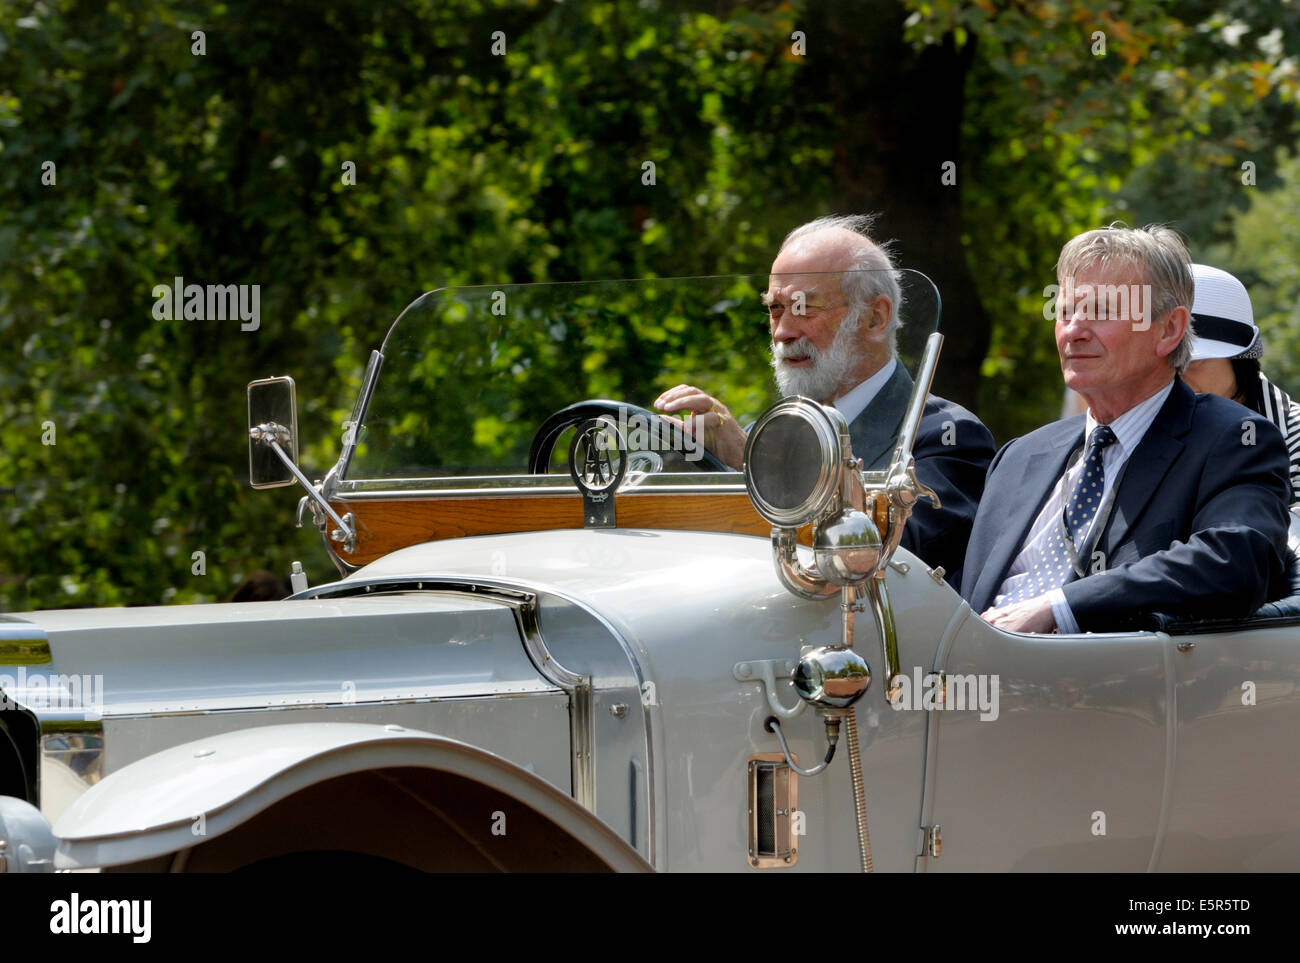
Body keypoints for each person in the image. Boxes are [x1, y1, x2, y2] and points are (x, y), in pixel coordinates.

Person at [962, 223, 1291, 634]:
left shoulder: (1234, 440)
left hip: (1110, 686)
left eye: (1101, 311)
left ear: (1169, 329)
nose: (1073, 331)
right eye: (1065, 311)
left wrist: (1062, 607)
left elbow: (1234, 561)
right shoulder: (1019, 457)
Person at [653, 214, 995, 585]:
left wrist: (751, 464)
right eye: (775, 309)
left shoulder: (947, 435)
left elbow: (889, 564)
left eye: (804, 307)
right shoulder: (760, 437)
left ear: (875, 318)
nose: (783, 331)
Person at [1180, 263, 1300, 504]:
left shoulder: (1295, 439)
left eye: (1191, 363)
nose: (1175, 378)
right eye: (1164, 364)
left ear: (1239, 360)